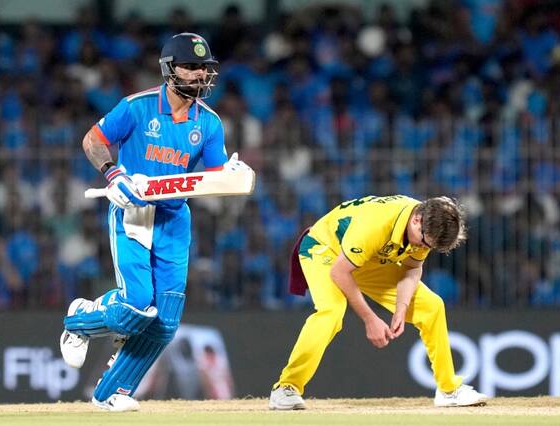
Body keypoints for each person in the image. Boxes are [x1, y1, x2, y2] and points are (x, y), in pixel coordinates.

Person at [59, 32, 251, 412]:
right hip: (133, 211)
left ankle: (111, 393)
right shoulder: (137, 107)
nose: (200, 75)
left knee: (164, 323)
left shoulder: (209, 123)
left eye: (204, 68)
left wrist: (232, 175)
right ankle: (79, 318)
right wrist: (114, 174)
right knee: (136, 306)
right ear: (169, 69)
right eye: (191, 67)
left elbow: (212, 177)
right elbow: (92, 140)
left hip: (174, 220)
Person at [269, 195, 488, 409]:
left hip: (368, 259)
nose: (422, 247)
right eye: (423, 241)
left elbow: (412, 267)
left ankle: (448, 390)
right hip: (326, 250)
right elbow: (340, 272)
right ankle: (287, 387)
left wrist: (401, 308)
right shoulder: (377, 224)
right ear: (416, 219)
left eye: (428, 246)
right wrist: (369, 318)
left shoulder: (425, 226)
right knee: (331, 312)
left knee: (431, 307)